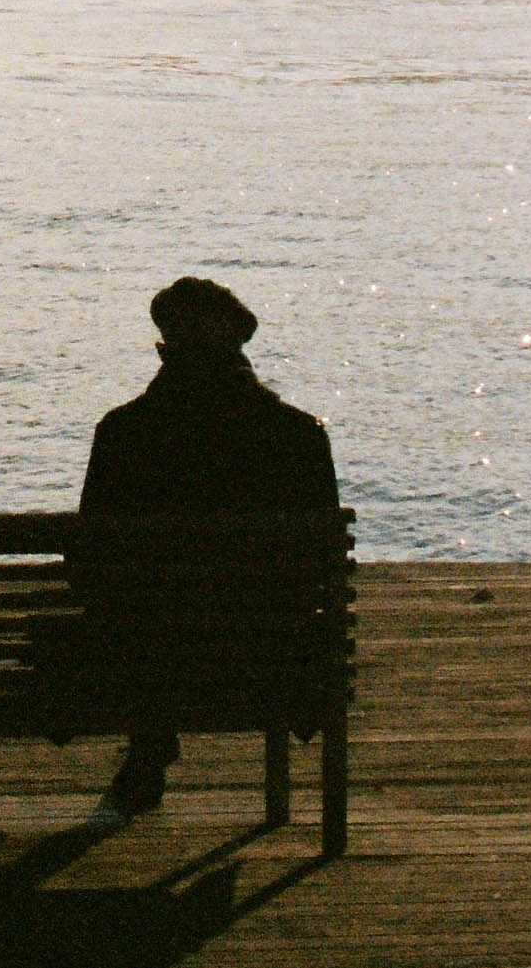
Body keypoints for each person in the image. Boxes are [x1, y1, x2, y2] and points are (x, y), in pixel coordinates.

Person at [78, 276, 341, 823]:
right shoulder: (298, 437)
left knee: (141, 613)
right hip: (269, 657)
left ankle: (150, 744)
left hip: (141, 662)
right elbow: (321, 568)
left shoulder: (123, 434)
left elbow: (87, 566)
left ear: (166, 348)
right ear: (240, 350)